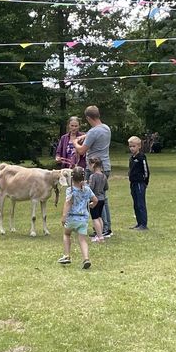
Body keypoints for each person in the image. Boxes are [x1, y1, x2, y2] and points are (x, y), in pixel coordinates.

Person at [75, 105, 113, 236]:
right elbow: (95, 133)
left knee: (95, 198)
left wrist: (75, 142)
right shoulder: (106, 128)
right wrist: (86, 135)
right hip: (105, 167)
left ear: (88, 118)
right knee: (103, 198)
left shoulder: (93, 132)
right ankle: (106, 228)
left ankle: (101, 229)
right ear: (98, 115)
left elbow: (81, 151)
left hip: (94, 168)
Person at [58, 167, 96, 269]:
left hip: (72, 218)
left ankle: (67, 255)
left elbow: (68, 203)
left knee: (66, 234)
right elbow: (95, 200)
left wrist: (64, 216)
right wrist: (92, 204)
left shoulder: (70, 190)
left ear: (72, 178)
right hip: (83, 219)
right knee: (82, 240)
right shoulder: (87, 189)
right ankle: (86, 259)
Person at [127, 135, 149, 230]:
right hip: (133, 183)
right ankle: (139, 223)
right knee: (135, 204)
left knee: (141, 204)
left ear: (139, 146)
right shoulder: (132, 158)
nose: (132, 148)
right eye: (130, 146)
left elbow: (146, 170)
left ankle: (143, 224)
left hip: (140, 183)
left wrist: (145, 182)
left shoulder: (141, 157)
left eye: (134, 146)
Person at [87, 156, 108, 242]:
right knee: (99, 217)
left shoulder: (93, 176)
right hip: (102, 199)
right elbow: (106, 187)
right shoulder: (104, 176)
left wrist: (85, 186)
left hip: (94, 200)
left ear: (93, 165)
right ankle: (100, 234)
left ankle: (100, 237)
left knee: (95, 218)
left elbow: (91, 188)